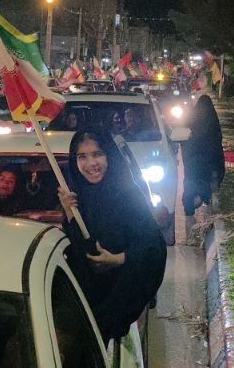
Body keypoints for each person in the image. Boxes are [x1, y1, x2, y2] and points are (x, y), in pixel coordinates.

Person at [57, 128, 166, 342]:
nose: (91, 163)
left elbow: (153, 246)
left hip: (116, 304)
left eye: (97, 154)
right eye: (82, 156)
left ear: (109, 156)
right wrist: (69, 213)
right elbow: (77, 248)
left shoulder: (128, 194)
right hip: (82, 305)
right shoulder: (76, 196)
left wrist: (118, 259)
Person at [181, 95, 225, 245]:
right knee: (206, 195)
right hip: (208, 165)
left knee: (189, 193)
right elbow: (217, 146)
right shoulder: (213, 124)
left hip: (193, 166)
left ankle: (191, 235)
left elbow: (182, 139)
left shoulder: (191, 122)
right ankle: (205, 232)